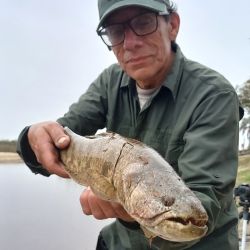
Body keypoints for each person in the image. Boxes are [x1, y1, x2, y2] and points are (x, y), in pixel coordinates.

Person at [17, 0, 244, 249]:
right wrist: (32, 139)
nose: (130, 43)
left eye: (143, 23)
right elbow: (60, 137)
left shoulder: (214, 94)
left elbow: (203, 210)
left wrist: (135, 210)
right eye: (116, 31)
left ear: (173, 25)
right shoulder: (110, 82)